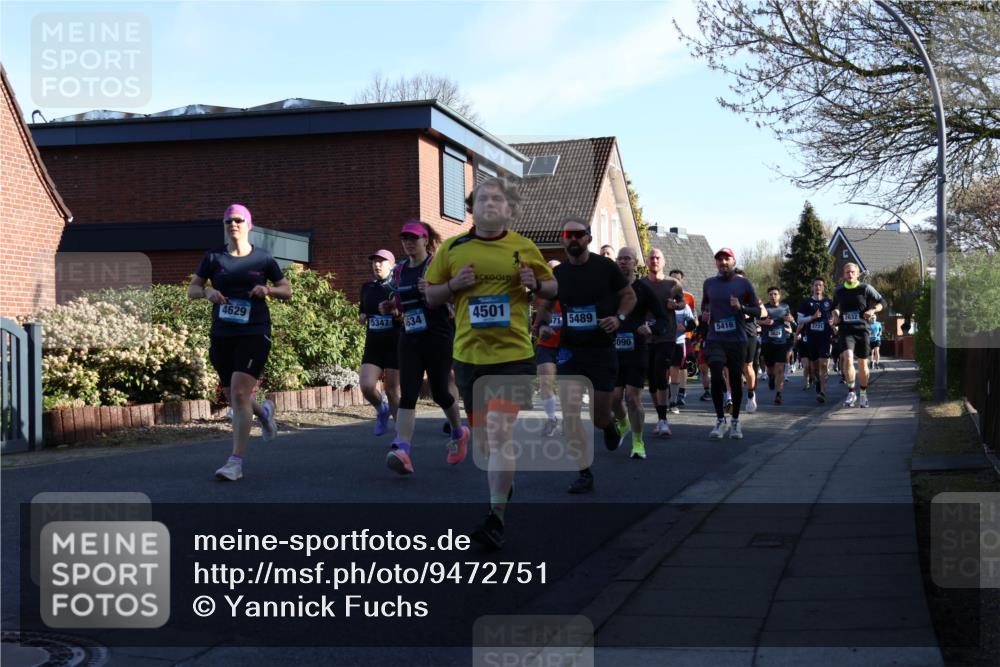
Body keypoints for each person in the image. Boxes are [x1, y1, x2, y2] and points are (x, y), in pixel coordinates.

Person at [424, 177, 556, 549]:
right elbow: (431, 298)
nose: (490, 204)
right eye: (483, 198)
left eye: (498, 199)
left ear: (509, 209)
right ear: (472, 207)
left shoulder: (524, 247)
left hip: (514, 356)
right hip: (469, 356)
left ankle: (495, 517)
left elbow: (552, 289)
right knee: (486, 441)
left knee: (499, 433)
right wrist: (453, 286)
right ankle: (503, 482)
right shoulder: (452, 248)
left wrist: (535, 283)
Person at [188, 204, 291, 481]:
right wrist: (207, 291)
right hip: (222, 333)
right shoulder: (213, 257)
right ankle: (265, 414)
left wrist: (267, 288)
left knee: (239, 393)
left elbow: (287, 289)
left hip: (255, 331)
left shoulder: (263, 258)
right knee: (236, 395)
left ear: (249, 225)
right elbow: (192, 289)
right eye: (227, 221)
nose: (232, 224)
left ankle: (235, 462)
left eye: (238, 220)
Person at [537, 217, 636, 493]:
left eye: (579, 234)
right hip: (571, 351)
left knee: (598, 416)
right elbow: (545, 307)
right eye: (569, 234)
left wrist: (618, 318)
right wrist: (544, 325)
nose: (574, 239)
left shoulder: (605, 267)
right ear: (562, 240)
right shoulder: (559, 275)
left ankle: (609, 426)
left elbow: (629, 296)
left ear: (588, 238)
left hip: (602, 350)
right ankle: (584, 472)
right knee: (570, 414)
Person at [380, 221, 467, 475]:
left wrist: (434, 290)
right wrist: (390, 308)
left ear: (425, 241)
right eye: (405, 238)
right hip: (410, 336)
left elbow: (454, 297)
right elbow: (399, 302)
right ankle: (402, 449)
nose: (408, 242)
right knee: (409, 392)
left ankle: (459, 432)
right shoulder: (398, 270)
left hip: (437, 335)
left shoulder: (436, 266)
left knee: (440, 392)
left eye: (414, 238)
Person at [610, 247, 669, 459]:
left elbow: (663, 318)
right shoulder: (609, 288)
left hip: (636, 349)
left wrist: (651, 329)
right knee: (614, 399)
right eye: (620, 259)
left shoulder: (643, 289)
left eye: (627, 259)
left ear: (636, 263)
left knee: (632, 398)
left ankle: (637, 442)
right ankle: (624, 423)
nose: (622, 262)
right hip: (613, 350)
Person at [701, 248, 764, 440]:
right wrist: (704, 315)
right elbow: (705, 305)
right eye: (719, 259)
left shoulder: (743, 283)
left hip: (737, 339)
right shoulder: (709, 283)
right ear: (716, 263)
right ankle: (720, 420)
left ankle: (735, 421)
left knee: (736, 379)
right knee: (717, 372)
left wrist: (741, 307)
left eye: (726, 259)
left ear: (733, 261)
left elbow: (759, 312)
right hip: (715, 338)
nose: (723, 262)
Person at [641, 249, 685, 436]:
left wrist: (675, 306)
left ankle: (663, 420)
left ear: (663, 262)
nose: (654, 260)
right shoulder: (640, 284)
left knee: (659, 373)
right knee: (651, 379)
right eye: (651, 258)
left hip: (666, 336)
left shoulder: (672, 284)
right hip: (646, 337)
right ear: (647, 262)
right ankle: (660, 416)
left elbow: (683, 303)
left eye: (658, 258)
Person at [359, 249, 401, 436]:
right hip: (374, 344)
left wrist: (395, 313)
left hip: (395, 344)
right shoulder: (367, 287)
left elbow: (406, 314)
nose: (376, 265)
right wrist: (362, 316)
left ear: (391, 265)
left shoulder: (398, 288)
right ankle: (381, 409)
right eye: (374, 261)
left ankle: (401, 435)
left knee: (392, 391)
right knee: (366, 386)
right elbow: (363, 311)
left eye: (381, 261)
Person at [831, 263, 886, 408]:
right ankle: (851, 392)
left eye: (853, 272)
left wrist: (873, 310)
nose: (850, 274)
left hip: (862, 330)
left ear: (858, 274)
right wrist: (835, 315)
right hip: (846, 330)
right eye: (847, 272)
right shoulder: (839, 291)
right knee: (848, 358)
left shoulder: (865, 288)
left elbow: (882, 302)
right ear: (843, 274)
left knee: (862, 364)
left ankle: (863, 394)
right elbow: (834, 308)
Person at [532, 260, 563, 437]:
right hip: (547, 344)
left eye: (555, 271)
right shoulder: (541, 295)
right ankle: (551, 418)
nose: (552, 273)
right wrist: (538, 327)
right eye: (549, 270)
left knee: (569, 387)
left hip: (567, 344)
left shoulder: (568, 292)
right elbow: (539, 318)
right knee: (545, 381)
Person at [796, 277, 835, 404]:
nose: (818, 287)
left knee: (824, 365)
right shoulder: (806, 303)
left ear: (823, 287)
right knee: (814, 367)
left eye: (820, 285)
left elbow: (836, 317)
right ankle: (818, 380)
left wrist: (833, 322)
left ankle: (822, 392)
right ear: (812, 287)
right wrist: (812, 317)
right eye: (816, 285)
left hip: (825, 338)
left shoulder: (829, 302)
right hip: (811, 338)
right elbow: (799, 320)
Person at [668, 269, 698, 411]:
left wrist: (684, 328)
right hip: (662, 340)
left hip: (681, 339)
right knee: (665, 370)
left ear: (682, 281)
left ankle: (678, 395)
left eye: (677, 279)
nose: (675, 282)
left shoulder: (688, 299)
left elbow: (693, 320)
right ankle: (667, 397)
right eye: (672, 279)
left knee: (679, 367)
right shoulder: (662, 296)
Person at [760, 287, 795, 404]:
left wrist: (790, 319)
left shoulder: (785, 307)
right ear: (768, 296)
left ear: (779, 296)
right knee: (770, 368)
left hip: (781, 342)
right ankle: (770, 376)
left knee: (780, 368)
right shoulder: (764, 308)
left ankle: (778, 394)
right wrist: (764, 322)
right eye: (770, 294)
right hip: (767, 342)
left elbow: (791, 320)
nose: (773, 296)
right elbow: (755, 320)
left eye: (775, 294)